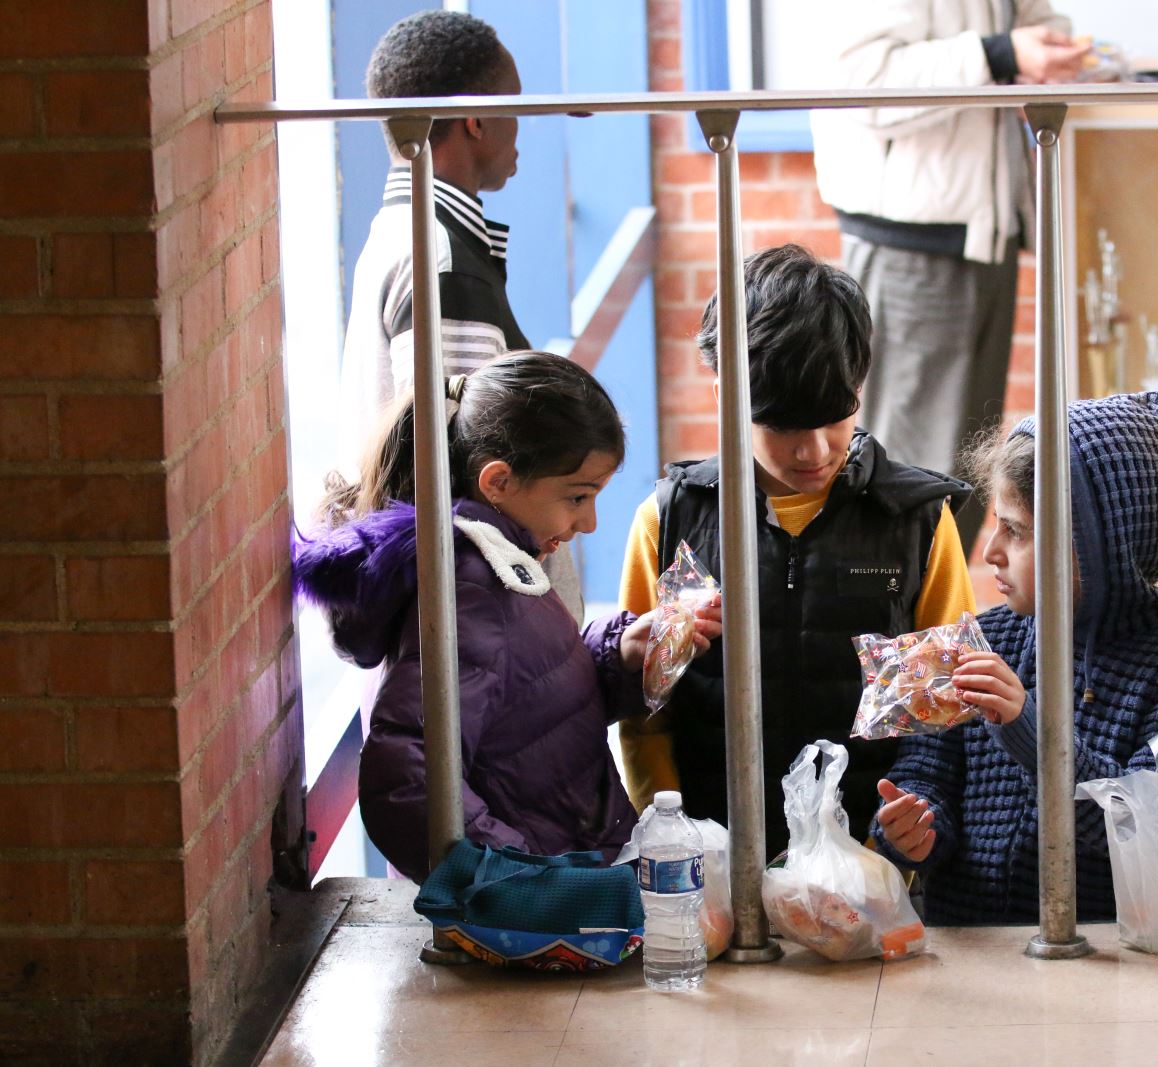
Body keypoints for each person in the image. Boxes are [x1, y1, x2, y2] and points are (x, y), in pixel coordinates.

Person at [293, 353, 721, 882]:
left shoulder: (500, 567)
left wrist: (619, 655)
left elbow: (523, 697)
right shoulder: (473, 590)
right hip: (533, 923)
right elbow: (407, 776)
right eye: (577, 496)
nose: (587, 522)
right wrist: (527, 882)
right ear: (497, 482)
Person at [617, 244, 978, 852]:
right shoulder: (671, 519)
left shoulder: (917, 520)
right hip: (712, 857)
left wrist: (904, 837)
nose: (814, 451)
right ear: (724, 395)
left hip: (871, 865)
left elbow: (943, 712)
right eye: (783, 427)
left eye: (835, 418)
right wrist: (677, 836)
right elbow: (646, 708)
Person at [871, 394, 1158, 922]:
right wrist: (914, 826)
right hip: (973, 952)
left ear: (1096, 543)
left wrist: (1028, 727)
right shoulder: (979, 638)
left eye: (1017, 531)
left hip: (1105, 956)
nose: (990, 552)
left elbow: (1148, 835)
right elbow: (927, 777)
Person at [810, 0, 1090, 549]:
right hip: (914, 243)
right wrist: (1002, 54)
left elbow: (1040, 22)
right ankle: (900, 633)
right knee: (913, 479)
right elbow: (859, 79)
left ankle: (931, 628)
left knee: (956, 481)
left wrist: (1041, 50)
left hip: (981, 232)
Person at [339, 11, 583, 614]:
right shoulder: (440, 256)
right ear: (475, 119)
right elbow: (466, 469)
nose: (520, 127)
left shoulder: (409, 232)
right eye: (513, 107)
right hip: (481, 628)